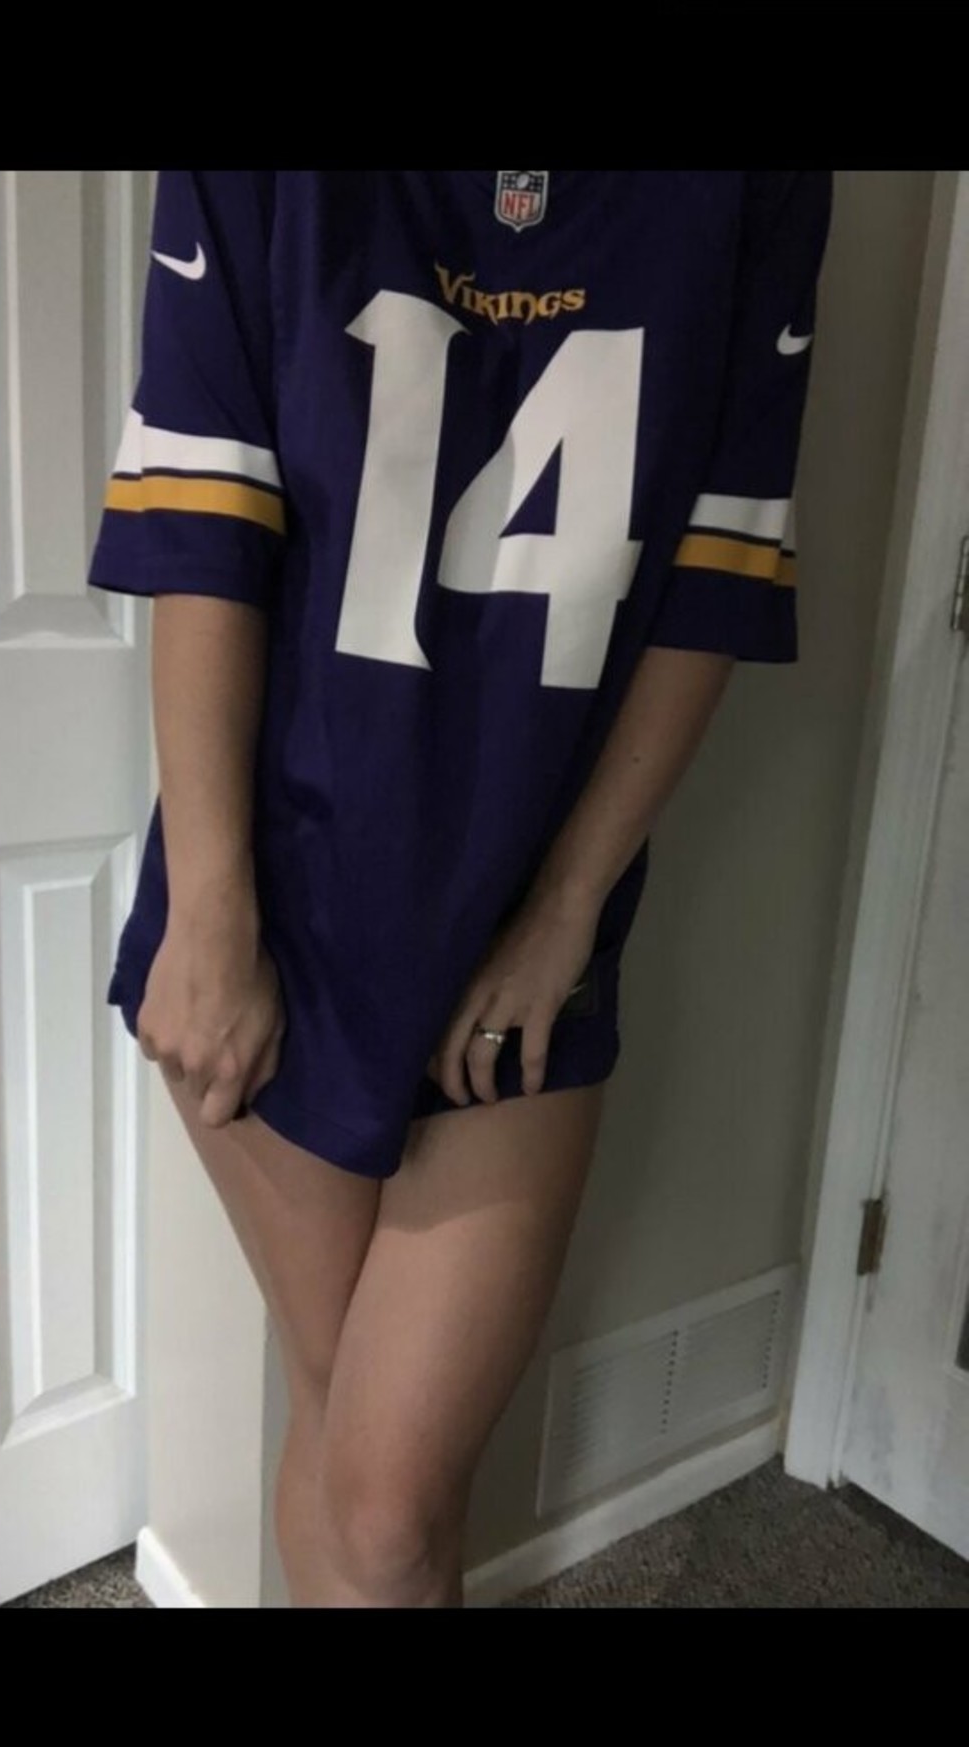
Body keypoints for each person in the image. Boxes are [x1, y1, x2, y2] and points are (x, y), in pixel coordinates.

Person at [88, 170, 833, 1608]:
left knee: (384, 1493)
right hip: (284, 902)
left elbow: (719, 565)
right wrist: (212, 909)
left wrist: (564, 915)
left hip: (534, 913)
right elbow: (207, 512)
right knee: (361, 1460)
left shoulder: (762, 191)